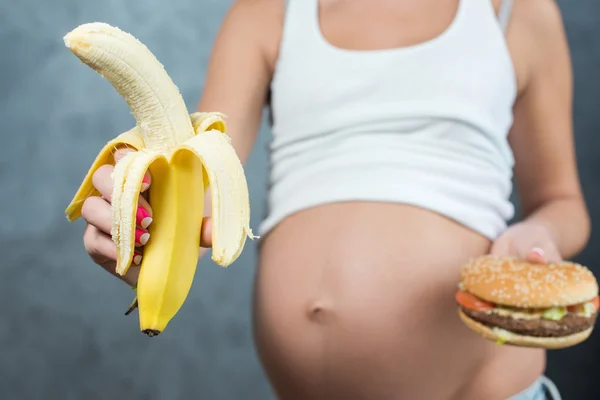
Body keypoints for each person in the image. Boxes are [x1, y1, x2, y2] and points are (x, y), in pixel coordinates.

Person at [79, 0, 590, 398]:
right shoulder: (267, 15)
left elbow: (561, 199)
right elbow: (205, 183)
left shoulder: (515, 15)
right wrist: (149, 223)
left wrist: (537, 234)